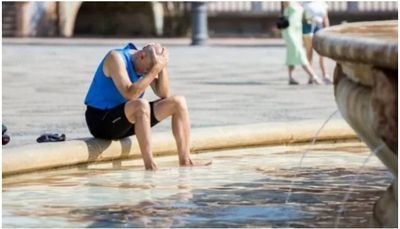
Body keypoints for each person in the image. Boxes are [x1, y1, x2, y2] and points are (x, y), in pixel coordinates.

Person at [84, 42, 210, 170]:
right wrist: (154, 69)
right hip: (101, 121)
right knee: (141, 105)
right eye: (148, 69)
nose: (148, 73)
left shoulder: (146, 64)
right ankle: (150, 166)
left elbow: (163, 93)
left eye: (151, 70)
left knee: (178, 102)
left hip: (125, 120)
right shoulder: (115, 58)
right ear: (142, 56)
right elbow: (130, 94)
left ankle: (185, 160)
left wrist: (162, 67)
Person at [281, 2, 322, 85]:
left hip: (298, 31)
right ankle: (313, 76)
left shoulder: (300, 2)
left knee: (291, 53)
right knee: (300, 52)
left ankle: (290, 77)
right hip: (289, 30)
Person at [302, 1, 332, 84]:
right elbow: (301, 18)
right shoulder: (304, 3)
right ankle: (311, 76)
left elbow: (325, 18)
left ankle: (325, 75)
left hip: (319, 26)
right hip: (308, 26)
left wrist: (328, 31)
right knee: (309, 52)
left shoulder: (322, 3)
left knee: (322, 53)